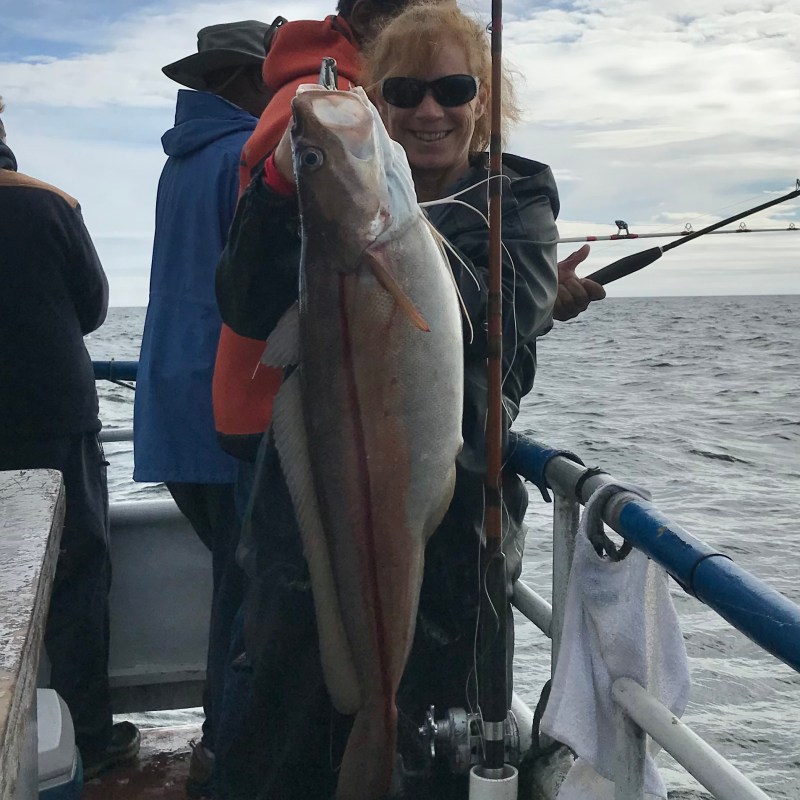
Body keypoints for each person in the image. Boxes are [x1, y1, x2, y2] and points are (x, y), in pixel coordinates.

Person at [213, 3, 566, 797]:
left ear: (486, 101)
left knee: (435, 761)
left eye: (453, 87)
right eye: (404, 90)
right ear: (379, 103)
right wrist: (286, 187)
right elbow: (243, 300)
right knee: (282, 752)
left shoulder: (520, 197)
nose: (429, 109)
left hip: (453, 551)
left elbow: (499, 311)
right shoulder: (325, 213)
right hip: (309, 535)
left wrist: (379, 226)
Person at [131, 20, 273, 797]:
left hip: (172, 405)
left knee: (234, 581)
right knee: (251, 598)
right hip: (228, 410)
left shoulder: (181, 162)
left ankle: (224, 746)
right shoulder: (247, 157)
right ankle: (232, 756)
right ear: (245, 81)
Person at [0, 98, 140, 777]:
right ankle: (85, 732)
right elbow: (92, 309)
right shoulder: (50, 204)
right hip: (53, 415)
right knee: (78, 574)